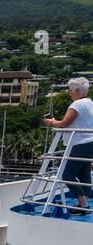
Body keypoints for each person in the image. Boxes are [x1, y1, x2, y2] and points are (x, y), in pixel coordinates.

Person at [44, 77, 93, 210]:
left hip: (79, 143)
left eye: (70, 89)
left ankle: (83, 203)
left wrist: (52, 122)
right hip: (90, 142)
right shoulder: (90, 102)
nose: (69, 92)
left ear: (76, 91)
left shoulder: (76, 105)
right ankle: (84, 205)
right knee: (84, 174)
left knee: (67, 175)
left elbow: (64, 123)